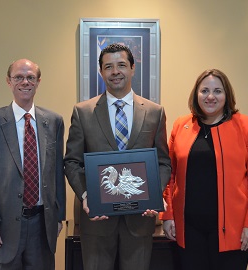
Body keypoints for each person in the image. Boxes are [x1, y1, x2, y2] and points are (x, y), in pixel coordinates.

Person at [64, 43, 171, 270]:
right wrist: (86, 194)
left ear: (132, 68)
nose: (115, 72)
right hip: (96, 221)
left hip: (140, 219)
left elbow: (163, 162)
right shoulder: (82, 112)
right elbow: (72, 162)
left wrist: (155, 192)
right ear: (101, 72)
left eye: (121, 65)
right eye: (108, 67)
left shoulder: (154, 112)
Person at [0, 59, 66, 270]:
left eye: (30, 77)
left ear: (38, 81)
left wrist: (58, 216)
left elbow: (57, 174)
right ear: (9, 82)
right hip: (1, 228)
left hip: (42, 227)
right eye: (18, 77)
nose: (25, 82)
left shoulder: (54, 121)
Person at [160, 69, 248, 270]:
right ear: (196, 94)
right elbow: (169, 175)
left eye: (217, 91)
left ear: (227, 95)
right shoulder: (181, 125)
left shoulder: (243, 126)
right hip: (189, 231)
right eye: (204, 90)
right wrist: (168, 216)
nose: (210, 96)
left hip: (233, 232)